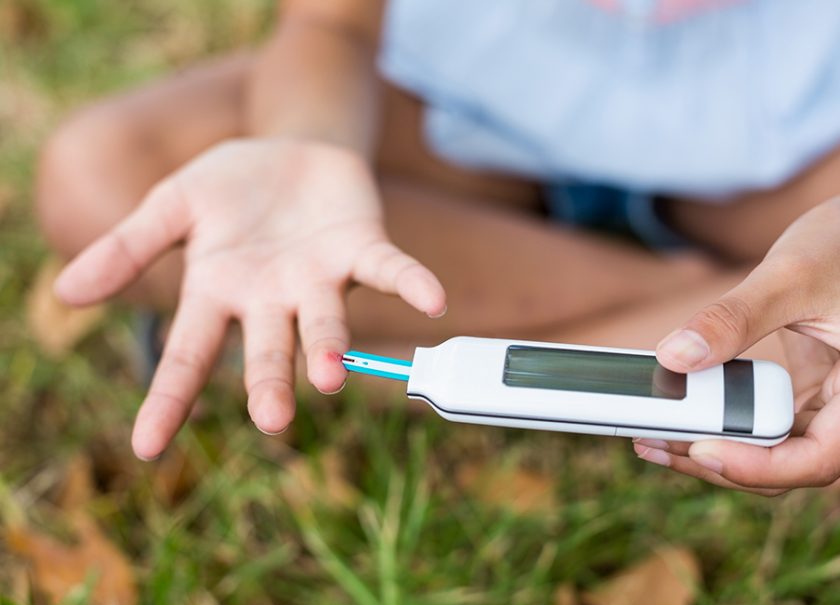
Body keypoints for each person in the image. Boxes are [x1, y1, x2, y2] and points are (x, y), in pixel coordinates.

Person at [36, 0, 840, 495]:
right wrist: (305, 148)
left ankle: (360, 374)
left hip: (791, 146)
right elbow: (328, 22)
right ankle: (696, 301)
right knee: (100, 175)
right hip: (455, 106)